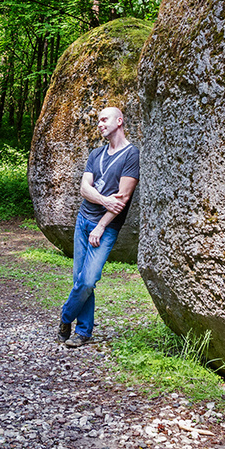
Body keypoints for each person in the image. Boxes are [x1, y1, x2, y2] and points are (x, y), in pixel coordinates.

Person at [57, 106, 140, 348]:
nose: (100, 124)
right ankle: (83, 332)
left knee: (88, 280)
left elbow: (122, 199)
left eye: (104, 119)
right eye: (98, 120)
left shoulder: (131, 155)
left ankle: (65, 317)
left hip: (105, 227)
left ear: (119, 121)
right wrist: (104, 199)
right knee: (79, 280)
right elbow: (84, 188)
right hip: (83, 221)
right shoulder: (96, 154)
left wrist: (101, 226)